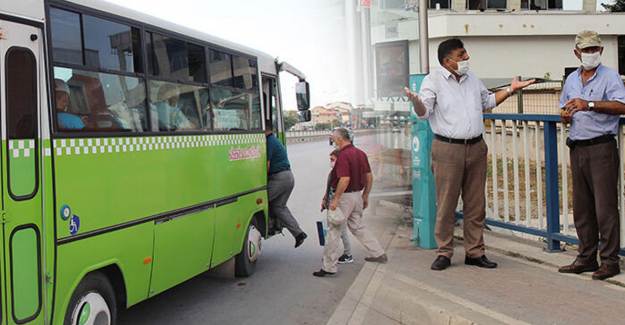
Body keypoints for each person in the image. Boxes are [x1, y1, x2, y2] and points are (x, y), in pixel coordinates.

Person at [404, 38, 534, 271]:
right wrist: (416, 103)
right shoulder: (432, 80)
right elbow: (424, 112)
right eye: (462, 55)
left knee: (476, 203)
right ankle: (444, 252)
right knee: (446, 203)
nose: (467, 58)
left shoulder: (472, 79)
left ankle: (475, 252)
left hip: (476, 146)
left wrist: (511, 90)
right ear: (447, 61)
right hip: (447, 148)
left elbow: (487, 102)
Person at [558, 30, 625, 281]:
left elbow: (622, 105)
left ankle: (610, 261)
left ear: (601, 51)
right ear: (577, 53)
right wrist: (565, 114)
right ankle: (586, 256)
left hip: (601, 147)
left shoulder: (610, 77)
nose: (591, 54)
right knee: (583, 207)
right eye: (586, 50)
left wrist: (591, 104)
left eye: (594, 49)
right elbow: (564, 106)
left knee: (605, 208)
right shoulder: (572, 79)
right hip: (578, 147)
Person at [314, 127, 387, 277]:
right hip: (357, 196)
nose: (333, 141)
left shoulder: (343, 156)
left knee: (334, 232)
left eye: (333, 139)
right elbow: (369, 177)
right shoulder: (360, 154)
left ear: (340, 139)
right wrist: (365, 195)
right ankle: (378, 252)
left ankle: (329, 267)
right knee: (358, 227)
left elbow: (344, 179)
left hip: (344, 198)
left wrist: (335, 199)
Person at [265, 121, 307, 248]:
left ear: (264, 129)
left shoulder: (269, 142)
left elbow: (267, 165)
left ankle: (276, 223)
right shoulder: (275, 140)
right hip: (288, 177)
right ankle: (298, 234)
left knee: (259, 200)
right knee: (279, 207)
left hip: (279, 179)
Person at [321, 149, 353, 264]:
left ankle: (346, 254)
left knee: (339, 231)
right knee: (335, 231)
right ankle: (332, 255)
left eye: (332, 159)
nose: (331, 162)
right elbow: (329, 187)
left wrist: (334, 202)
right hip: (332, 203)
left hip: (338, 205)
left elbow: (339, 190)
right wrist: (325, 199)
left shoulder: (342, 174)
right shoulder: (334, 172)